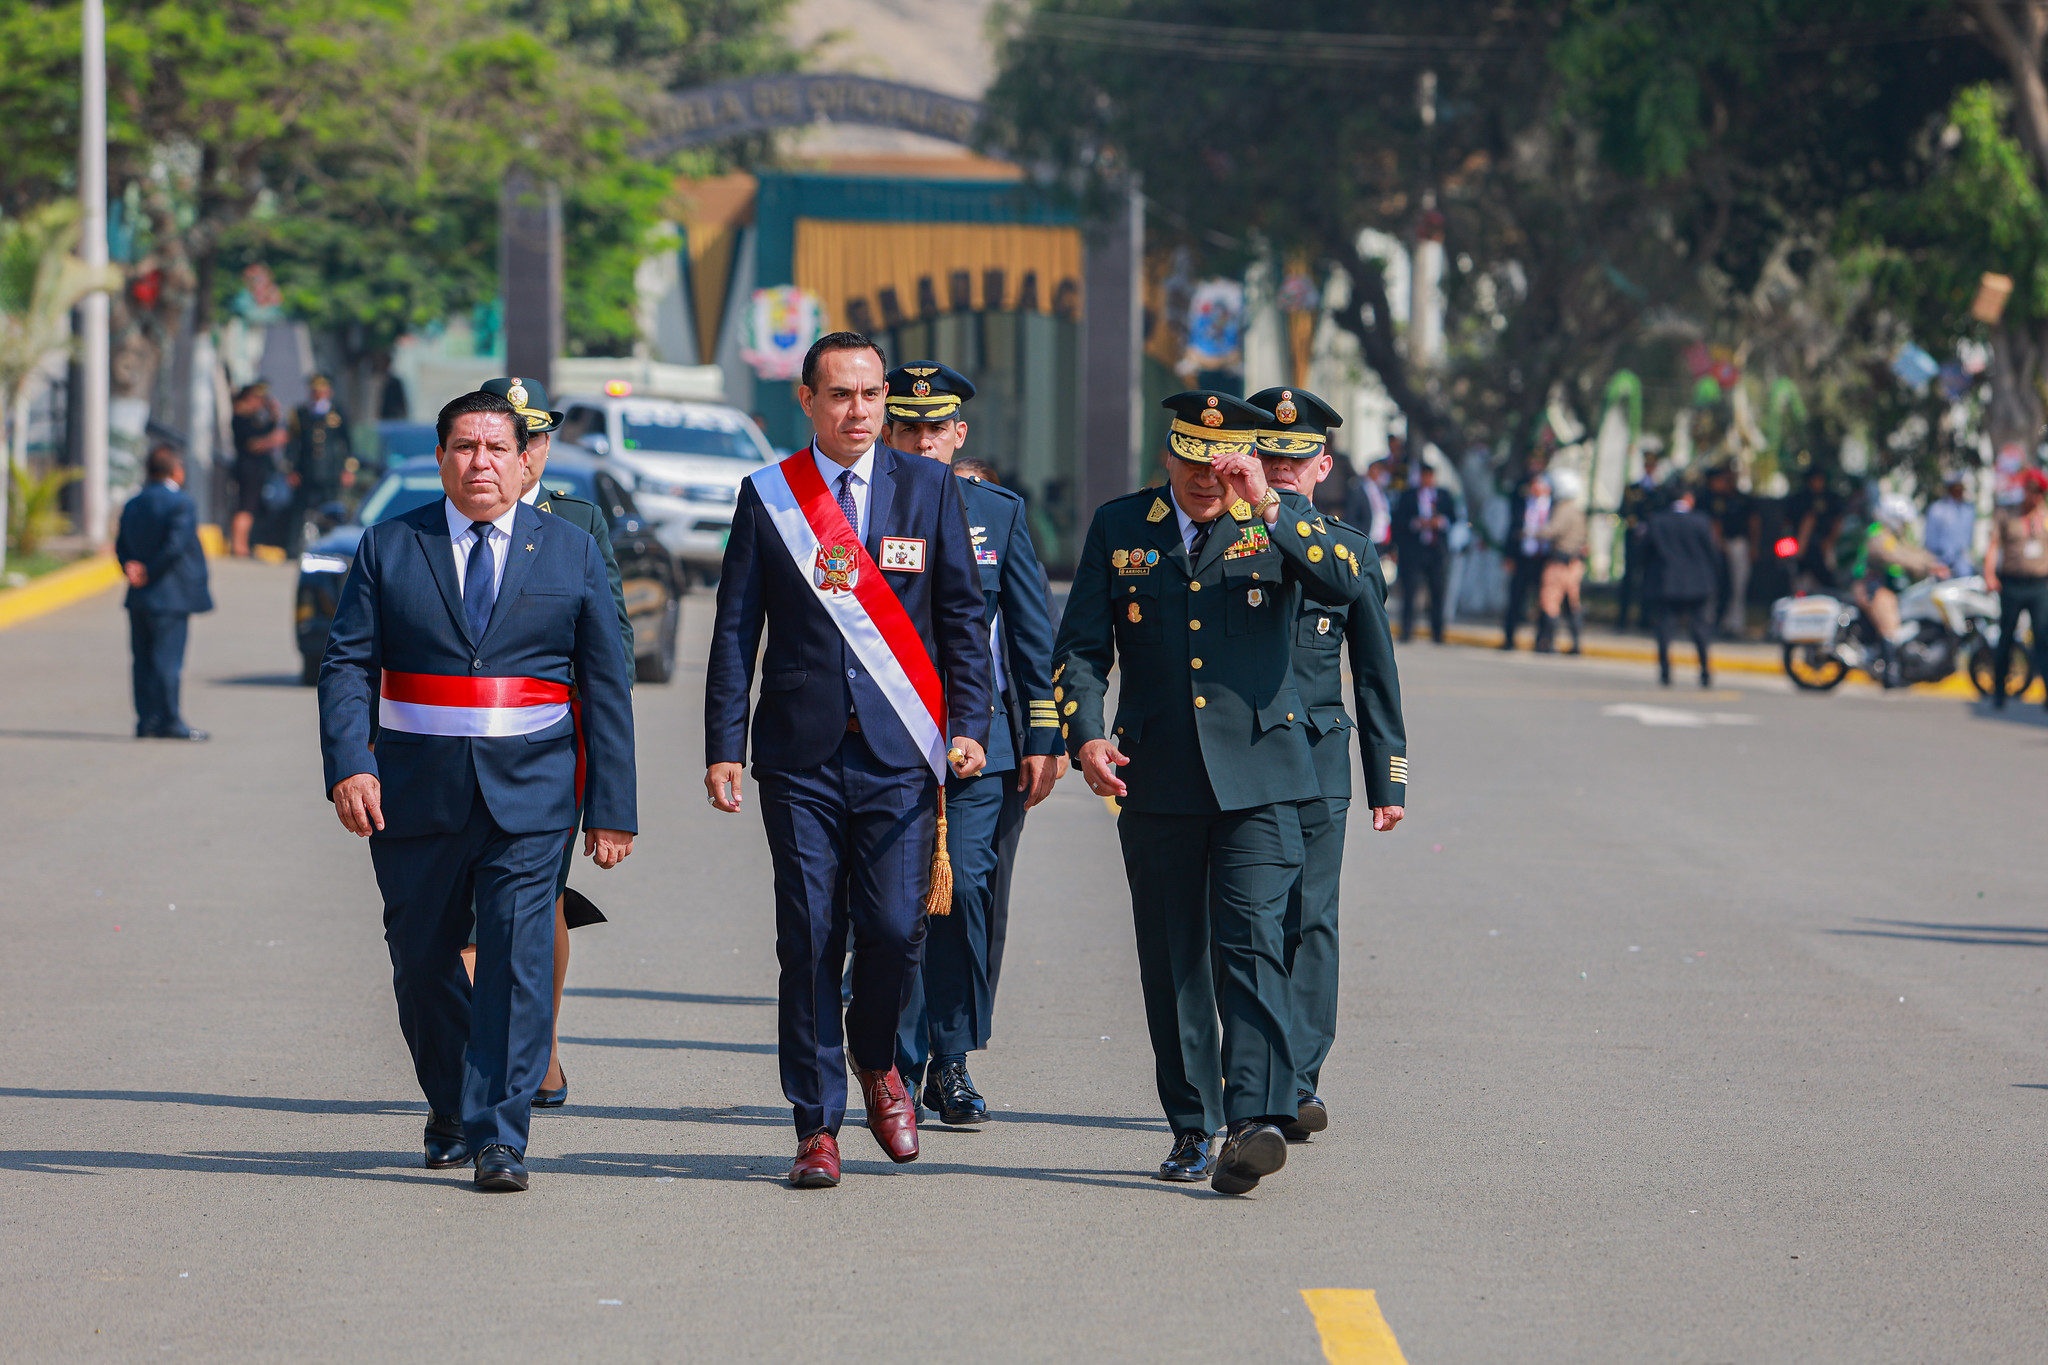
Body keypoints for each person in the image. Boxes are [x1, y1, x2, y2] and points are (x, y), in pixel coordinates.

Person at [1053, 389, 1371, 1196]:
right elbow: (1082, 649)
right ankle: (1192, 1125)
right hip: (1155, 774)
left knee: (1254, 940)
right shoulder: (1122, 527)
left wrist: (1265, 500)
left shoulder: (1276, 520)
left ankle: (1255, 1119)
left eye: (1219, 463)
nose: (1204, 479)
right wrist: (1085, 732)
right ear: (1168, 455)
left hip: (1265, 775)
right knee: (1175, 958)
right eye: (1190, 461)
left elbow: (1347, 579)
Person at [318, 390, 637, 1193]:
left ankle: (500, 1133)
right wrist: (350, 762)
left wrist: (612, 807)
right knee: (421, 962)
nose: (481, 462)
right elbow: (348, 665)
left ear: (525, 457)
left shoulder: (568, 549)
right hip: (414, 795)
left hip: (531, 799)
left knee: (514, 960)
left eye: (497, 448)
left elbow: (605, 684)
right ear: (441, 457)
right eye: (465, 447)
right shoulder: (391, 546)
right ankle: (454, 1098)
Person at [703, 332, 992, 1190]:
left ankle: (877, 1061)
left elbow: (961, 620)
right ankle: (815, 1124)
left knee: (897, 930)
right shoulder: (769, 498)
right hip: (798, 754)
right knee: (810, 937)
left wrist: (970, 721)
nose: (859, 410)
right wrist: (726, 744)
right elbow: (733, 631)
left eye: (871, 395)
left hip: (902, 752)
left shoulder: (931, 487)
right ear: (809, 400)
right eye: (841, 394)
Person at [875, 361, 1060, 1126]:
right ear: (888, 431)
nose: (921, 440)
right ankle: (900, 1061)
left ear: (958, 433)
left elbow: (1029, 632)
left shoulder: (999, 513)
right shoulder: (856, 509)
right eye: (907, 426)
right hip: (883, 743)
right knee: (898, 903)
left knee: (967, 892)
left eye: (934, 427)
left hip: (979, 748)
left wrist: (1045, 733)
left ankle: (949, 1058)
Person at [451, 375, 637, 1110]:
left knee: (537, 904)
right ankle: (481, 1055)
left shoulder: (577, 520)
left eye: (532, 439)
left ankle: (539, 1046)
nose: (523, 453)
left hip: (543, 750)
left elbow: (611, 640)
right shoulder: (437, 522)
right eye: (508, 438)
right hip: (454, 752)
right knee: (461, 912)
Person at [1248, 386, 1406, 1143]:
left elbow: (1374, 670)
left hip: (1317, 759)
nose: (1281, 470)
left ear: (1322, 466)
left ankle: (1299, 1078)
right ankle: (1256, 1071)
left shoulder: (1347, 552)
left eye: (1296, 459)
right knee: (1250, 919)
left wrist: (1387, 775)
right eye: (1269, 455)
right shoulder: (1222, 540)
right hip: (1238, 757)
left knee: (1311, 919)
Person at [116, 443, 214, 740]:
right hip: (169, 595)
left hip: (139, 595)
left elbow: (121, 544)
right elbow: (175, 545)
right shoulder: (180, 503)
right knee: (168, 662)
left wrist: (130, 567)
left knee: (143, 661)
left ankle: (146, 720)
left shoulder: (134, 502)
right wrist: (150, 571)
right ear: (176, 471)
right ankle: (170, 721)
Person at [1851, 494, 1950, 689]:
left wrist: (1935, 563)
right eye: (1903, 522)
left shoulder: (1894, 536)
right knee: (1890, 628)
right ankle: (1891, 673)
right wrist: (1927, 567)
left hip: (1889, 588)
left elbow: (1911, 551)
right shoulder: (1878, 534)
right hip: (1871, 587)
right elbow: (1897, 556)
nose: (1905, 526)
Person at [1643, 486, 1720, 687]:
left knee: (1665, 628)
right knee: (1700, 630)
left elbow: (1644, 551)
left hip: (1666, 582)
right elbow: (1713, 553)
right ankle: (1704, 671)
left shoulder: (1658, 521)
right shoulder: (1701, 521)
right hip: (1697, 584)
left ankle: (1665, 672)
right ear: (1688, 499)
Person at [1985, 469, 2048, 709]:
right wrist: (1989, 574)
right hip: (2012, 584)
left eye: (2040, 492)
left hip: (2040, 585)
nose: (2035, 496)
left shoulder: (2046, 517)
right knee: (2006, 639)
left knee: (2043, 639)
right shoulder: (2007, 515)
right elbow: (1993, 545)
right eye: (2031, 490)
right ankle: (1999, 692)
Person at [1390, 460, 1457, 643]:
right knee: (1410, 591)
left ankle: (1437, 632)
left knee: (1438, 592)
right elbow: (1399, 521)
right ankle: (1407, 629)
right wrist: (1417, 523)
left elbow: (1453, 517)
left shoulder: (1443, 495)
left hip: (1436, 551)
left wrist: (1439, 522)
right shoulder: (1409, 495)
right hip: (1414, 551)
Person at [287, 375, 354, 553]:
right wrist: (291, 469)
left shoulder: (337, 412)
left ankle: (329, 546)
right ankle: (294, 548)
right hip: (306, 470)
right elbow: (293, 444)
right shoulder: (301, 413)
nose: (319, 394)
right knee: (300, 511)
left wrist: (348, 469)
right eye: (316, 391)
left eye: (322, 391)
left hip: (331, 470)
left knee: (330, 510)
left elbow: (347, 443)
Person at [1533, 467, 1588, 654]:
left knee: (1550, 601)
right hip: (1575, 563)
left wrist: (1531, 532)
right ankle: (1576, 643)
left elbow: (1553, 530)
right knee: (1572, 603)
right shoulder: (1578, 510)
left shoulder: (1563, 509)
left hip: (1559, 562)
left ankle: (1548, 642)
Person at [228, 382, 286, 557]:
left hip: (255, 467)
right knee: (246, 506)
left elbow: (265, 429)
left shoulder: (253, 417)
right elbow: (252, 443)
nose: (260, 402)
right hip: (248, 467)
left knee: (250, 507)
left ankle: (242, 544)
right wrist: (273, 441)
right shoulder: (241, 416)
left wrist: (273, 415)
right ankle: (239, 545)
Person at [1703, 465, 1759, 638]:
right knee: (1713, 585)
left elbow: (1754, 523)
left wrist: (1754, 546)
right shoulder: (1714, 498)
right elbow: (1714, 523)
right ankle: (1710, 620)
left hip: (1738, 543)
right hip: (1719, 544)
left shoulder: (1743, 500)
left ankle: (1734, 624)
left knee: (1738, 586)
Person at [1615, 453, 1666, 631]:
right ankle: (1622, 618)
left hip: (1651, 540)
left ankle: (1645, 619)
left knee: (1649, 580)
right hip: (1634, 539)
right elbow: (1624, 510)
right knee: (1629, 578)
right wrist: (1635, 525)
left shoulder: (1660, 490)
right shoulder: (1632, 488)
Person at [1501, 470, 1550, 650]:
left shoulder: (1553, 507)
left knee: (1544, 602)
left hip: (1544, 560)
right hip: (1523, 558)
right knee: (1515, 600)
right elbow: (1512, 529)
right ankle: (1509, 638)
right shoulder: (1521, 504)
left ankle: (1542, 640)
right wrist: (1509, 556)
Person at [1785, 468, 1843, 593]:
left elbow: (1838, 520)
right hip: (1804, 547)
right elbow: (1790, 522)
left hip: (1825, 545)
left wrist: (1830, 540)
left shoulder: (1830, 498)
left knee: (1827, 580)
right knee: (1801, 582)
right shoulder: (1801, 498)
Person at [1924, 474, 1977, 579]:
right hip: (1942, 569)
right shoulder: (1937, 510)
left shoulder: (1969, 511)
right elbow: (1930, 542)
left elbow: (1968, 540)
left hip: (1964, 569)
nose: (1959, 491)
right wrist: (1935, 564)